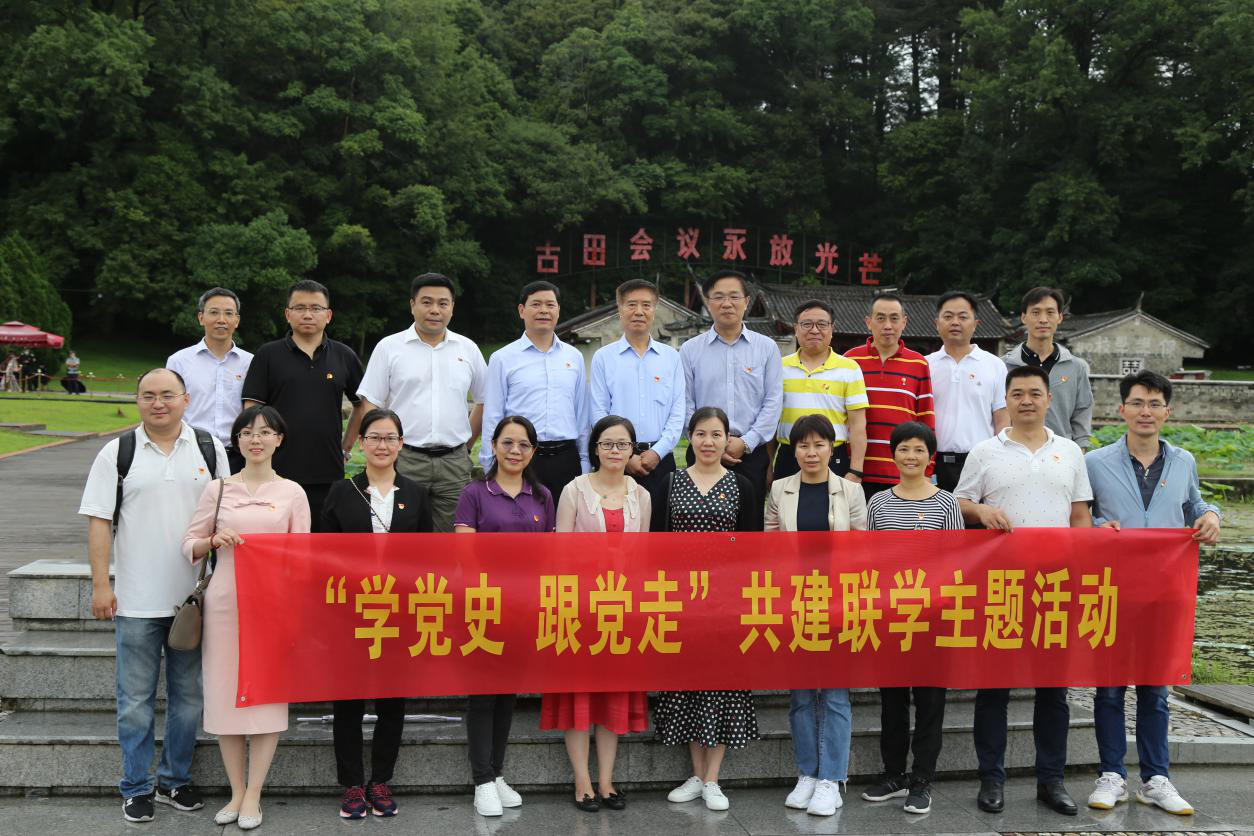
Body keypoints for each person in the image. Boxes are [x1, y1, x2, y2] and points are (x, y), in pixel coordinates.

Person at [78, 368, 227, 823]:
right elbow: (99, 522)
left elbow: (228, 514)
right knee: (134, 703)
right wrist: (101, 584)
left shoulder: (209, 448)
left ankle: (174, 780)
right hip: (137, 601)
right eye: (148, 395)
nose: (158, 403)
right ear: (137, 400)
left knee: (189, 699)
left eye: (167, 395)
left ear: (185, 399)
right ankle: (136, 786)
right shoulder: (117, 452)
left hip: (193, 600)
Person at [954, 365, 1093, 817]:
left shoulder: (1069, 452)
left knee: (1053, 690)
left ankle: (1050, 781)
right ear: (1007, 400)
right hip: (1001, 585)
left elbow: (1080, 517)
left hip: (1055, 585)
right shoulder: (985, 451)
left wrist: (1082, 573)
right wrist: (982, 512)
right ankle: (991, 779)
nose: (1027, 401)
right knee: (994, 689)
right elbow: (959, 502)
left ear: (1049, 399)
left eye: (1035, 393)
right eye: (1018, 394)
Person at [1083, 370, 1221, 816]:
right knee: (1108, 689)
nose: (1146, 411)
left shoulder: (1183, 460)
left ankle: (1156, 778)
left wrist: (1212, 515)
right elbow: (1081, 515)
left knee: (1156, 687)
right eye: (1138, 402)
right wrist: (1097, 525)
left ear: (1167, 412)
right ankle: (1112, 774)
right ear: (1121, 409)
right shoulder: (1095, 462)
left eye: (1155, 404)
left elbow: (1194, 504)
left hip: (1163, 590)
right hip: (1112, 589)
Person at [183, 405, 311, 829]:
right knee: (224, 698)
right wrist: (213, 540)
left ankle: (255, 793)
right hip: (224, 604)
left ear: (279, 440)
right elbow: (189, 543)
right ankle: (236, 792)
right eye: (247, 432)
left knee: (268, 699)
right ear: (236, 440)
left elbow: (302, 557)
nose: (256, 439)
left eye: (266, 432)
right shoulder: (218, 489)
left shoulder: (293, 492)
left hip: (273, 606)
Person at [321, 408, 434, 819]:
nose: (382, 445)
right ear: (361, 443)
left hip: (398, 612)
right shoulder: (342, 491)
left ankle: (381, 780)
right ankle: (352, 784)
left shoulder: (416, 494)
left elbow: (428, 556)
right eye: (374, 437)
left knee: (391, 701)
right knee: (348, 702)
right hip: (352, 612)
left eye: (390, 438)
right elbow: (325, 555)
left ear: (401, 444)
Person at [541, 415, 651, 812]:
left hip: (621, 610)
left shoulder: (641, 495)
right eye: (607, 444)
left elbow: (643, 556)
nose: (615, 451)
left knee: (612, 696)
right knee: (579, 697)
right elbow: (560, 555)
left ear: (632, 450)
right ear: (595, 448)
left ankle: (606, 781)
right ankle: (582, 781)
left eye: (623, 444)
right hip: (580, 609)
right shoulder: (574, 490)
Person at [656, 406, 759, 812]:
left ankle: (713, 778)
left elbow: (752, 550)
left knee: (722, 684)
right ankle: (696, 775)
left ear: (727, 439)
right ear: (690, 438)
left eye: (717, 435)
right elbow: (656, 544)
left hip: (725, 601)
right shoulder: (671, 483)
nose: (709, 442)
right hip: (680, 600)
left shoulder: (742, 485)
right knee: (687, 683)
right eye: (701, 434)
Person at [764, 414, 866, 816]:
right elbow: (770, 547)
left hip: (838, 601)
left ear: (832, 448)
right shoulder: (779, 489)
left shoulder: (850, 491)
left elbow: (860, 549)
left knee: (835, 694)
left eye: (819, 444)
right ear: (794, 451)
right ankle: (807, 772)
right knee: (802, 695)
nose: (811, 452)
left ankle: (832, 779)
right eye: (803, 445)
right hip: (795, 601)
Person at [455, 415, 556, 817]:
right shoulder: (474, 493)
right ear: (494, 446)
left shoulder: (542, 496)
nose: (515, 451)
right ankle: (481, 780)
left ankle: (496, 773)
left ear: (533, 451)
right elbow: (465, 555)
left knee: (507, 694)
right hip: (485, 607)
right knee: (482, 695)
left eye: (524, 444)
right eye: (508, 442)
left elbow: (548, 557)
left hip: (525, 609)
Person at [862, 421, 963, 815]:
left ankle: (922, 780)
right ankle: (894, 774)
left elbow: (956, 561)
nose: (911, 456)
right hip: (891, 616)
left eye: (919, 449)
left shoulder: (947, 504)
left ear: (930, 457)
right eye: (904, 449)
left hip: (932, 618)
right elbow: (869, 560)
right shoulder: (878, 503)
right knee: (892, 701)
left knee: (930, 701)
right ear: (893, 455)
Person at [357, 273, 486, 532]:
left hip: (453, 463)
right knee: (399, 531)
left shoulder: (468, 349)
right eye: (427, 302)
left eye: (443, 303)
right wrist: (384, 445)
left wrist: (466, 445)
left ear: (452, 308)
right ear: (412, 305)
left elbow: (484, 400)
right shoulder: (389, 347)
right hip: (404, 458)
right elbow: (371, 403)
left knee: (452, 537)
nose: (435, 310)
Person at [241, 280, 366, 528]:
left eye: (316, 308)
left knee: (322, 542)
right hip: (275, 470)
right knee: (277, 541)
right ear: (288, 314)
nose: (307, 314)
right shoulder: (267, 355)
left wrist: (346, 447)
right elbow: (251, 410)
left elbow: (361, 405)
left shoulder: (344, 356)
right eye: (299, 308)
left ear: (328, 315)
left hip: (327, 470)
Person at [679, 270, 783, 529]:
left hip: (750, 454)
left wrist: (746, 443)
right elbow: (684, 403)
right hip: (703, 452)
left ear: (746, 301)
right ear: (708, 302)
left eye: (734, 296)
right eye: (719, 297)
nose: (727, 303)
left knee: (749, 527)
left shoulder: (767, 348)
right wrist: (710, 442)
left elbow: (773, 401)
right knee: (700, 523)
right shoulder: (690, 350)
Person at [481, 281, 591, 506]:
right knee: (519, 522)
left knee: (565, 524)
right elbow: (493, 415)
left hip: (566, 458)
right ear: (522, 310)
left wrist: (585, 462)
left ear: (558, 310)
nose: (544, 310)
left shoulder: (574, 357)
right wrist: (490, 464)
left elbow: (581, 414)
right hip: (519, 457)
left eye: (550, 305)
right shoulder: (502, 358)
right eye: (536, 304)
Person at [589, 279, 685, 530]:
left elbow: (677, 413)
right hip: (615, 460)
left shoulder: (671, 358)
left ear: (655, 309)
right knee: (616, 530)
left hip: (661, 460)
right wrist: (626, 455)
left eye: (646, 305)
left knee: (661, 529)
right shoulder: (603, 358)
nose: (639, 311)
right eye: (631, 304)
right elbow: (598, 413)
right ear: (620, 309)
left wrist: (658, 452)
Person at [844, 293, 934, 498]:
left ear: (904, 322)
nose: (887, 326)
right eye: (880, 318)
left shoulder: (918, 364)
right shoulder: (849, 361)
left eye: (894, 318)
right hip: (855, 472)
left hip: (902, 471)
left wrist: (928, 469)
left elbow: (926, 420)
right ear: (868, 322)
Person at [771, 300, 868, 483]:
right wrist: (768, 466)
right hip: (789, 456)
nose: (814, 330)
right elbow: (770, 421)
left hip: (833, 456)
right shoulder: (778, 367)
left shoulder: (850, 369)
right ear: (796, 328)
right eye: (807, 324)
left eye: (822, 324)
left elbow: (857, 426)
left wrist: (856, 470)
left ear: (832, 329)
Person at [925, 291, 1008, 491]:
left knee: (979, 512)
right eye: (948, 316)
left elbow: (1002, 418)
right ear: (937, 323)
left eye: (963, 317)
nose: (955, 322)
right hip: (934, 463)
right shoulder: (924, 365)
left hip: (982, 461)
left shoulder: (994, 365)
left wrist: (1001, 458)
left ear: (975, 324)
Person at [168, 287, 254, 474]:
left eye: (228, 313)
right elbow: (170, 408)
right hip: (190, 453)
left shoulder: (251, 363)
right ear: (201, 318)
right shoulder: (179, 361)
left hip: (238, 456)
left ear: (237, 320)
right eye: (214, 312)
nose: (221, 319)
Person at [1002, 286, 1093, 450]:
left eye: (1050, 313)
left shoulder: (1076, 367)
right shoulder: (1003, 366)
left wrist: (1080, 450)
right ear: (1023, 317)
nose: (1043, 319)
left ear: (1060, 317)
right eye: (1036, 313)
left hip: (1061, 453)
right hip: (1014, 451)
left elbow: (1082, 412)